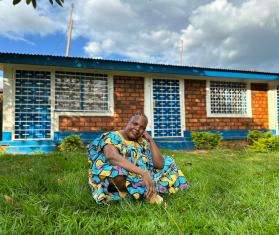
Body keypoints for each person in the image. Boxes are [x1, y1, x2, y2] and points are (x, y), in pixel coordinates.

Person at [88, 112, 189, 204]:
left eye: (142, 127)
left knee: (169, 161)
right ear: (128, 123)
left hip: (137, 176)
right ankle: (147, 190)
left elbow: (159, 165)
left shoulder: (141, 142)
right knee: (118, 173)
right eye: (135, 124)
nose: (137, 128)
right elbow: (112, 157)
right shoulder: (111, 136)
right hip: (117, 173)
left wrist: (151, 141)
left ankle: (141, 189)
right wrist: (143, 173)